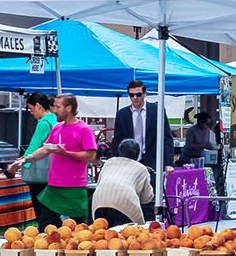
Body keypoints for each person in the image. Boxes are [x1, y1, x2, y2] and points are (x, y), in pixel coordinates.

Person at [9, 94, 96, 226]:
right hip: (53, 187)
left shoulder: (84, 129)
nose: (54, 110)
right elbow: (45, 149)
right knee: (46, 225)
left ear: (69, 108)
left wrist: (66, 153)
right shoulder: (56, 128)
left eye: (57, 107)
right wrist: (24, 160)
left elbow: (91, 156)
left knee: (80, 228)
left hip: (74, 187)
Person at [90, 139, 153, 226]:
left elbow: (99, 183)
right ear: (138, 154)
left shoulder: (109, 163)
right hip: (126, 205)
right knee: (131, 236)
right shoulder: (141, 168)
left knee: (101, 234)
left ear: (119, 151)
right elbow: (147, 198)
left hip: (99, 202)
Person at [19, 93, 58, 227]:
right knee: (52, 214)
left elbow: (33, 147)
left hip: (40, 176)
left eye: (31, 109)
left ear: (38, 106)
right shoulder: (55, 120)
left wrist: (21, 163)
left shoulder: (44, 123)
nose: (31, 113)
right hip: (54, 173)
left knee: (42, 215)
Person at [111, 80, 174, 163]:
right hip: (128, 161)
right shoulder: (122, 114)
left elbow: (167, 138)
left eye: (138, 94)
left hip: (153, 161)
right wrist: (115, 162)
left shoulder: (157, 111)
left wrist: (169, 163)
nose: (135, 98)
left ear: (145, 93)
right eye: (131, 95)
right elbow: (117, 141)